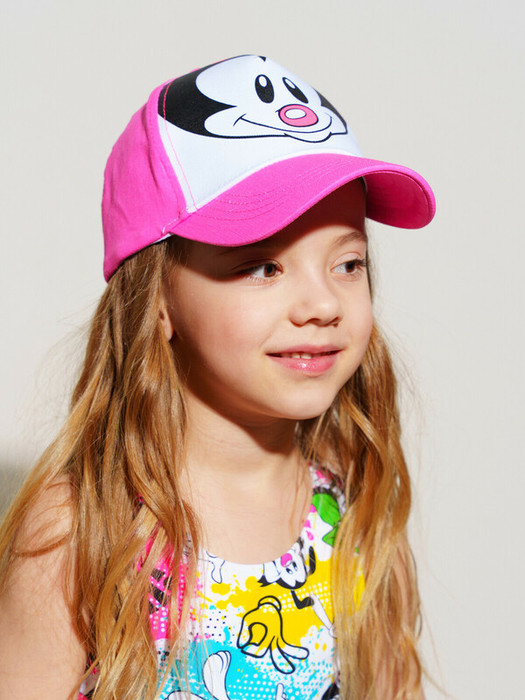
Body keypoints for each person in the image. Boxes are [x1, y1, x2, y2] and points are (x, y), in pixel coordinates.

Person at [0, 55, 435, 700]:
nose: (323, 303)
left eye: (348, 264)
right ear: (157, 299)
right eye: (262, 267)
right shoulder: (83, 531)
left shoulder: (353, 510)